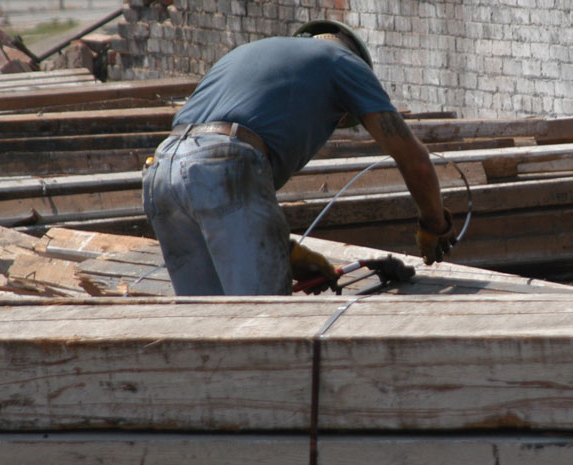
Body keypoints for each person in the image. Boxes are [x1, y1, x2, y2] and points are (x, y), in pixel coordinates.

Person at [142, 20, 455, 296]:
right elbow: (413, 158)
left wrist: (286, 253)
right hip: (223, 165)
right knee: (267, 328)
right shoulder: (344, 62)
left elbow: (210, 183)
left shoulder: (247, 54)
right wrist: (434, 225)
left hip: (161, 171)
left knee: (202, 328)